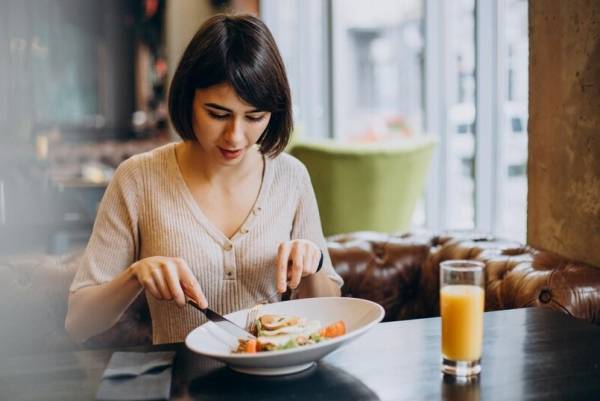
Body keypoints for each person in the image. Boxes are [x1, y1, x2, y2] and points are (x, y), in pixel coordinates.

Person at [65, 14, 343, 345]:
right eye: (217, 114)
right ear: (188, 98)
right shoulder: (137, 178)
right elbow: (78, 322)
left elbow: (333, 313)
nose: (236, 136)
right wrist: (135, 275)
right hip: (183, 386)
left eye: (255, 117)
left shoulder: (291, 176)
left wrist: (315, 261)